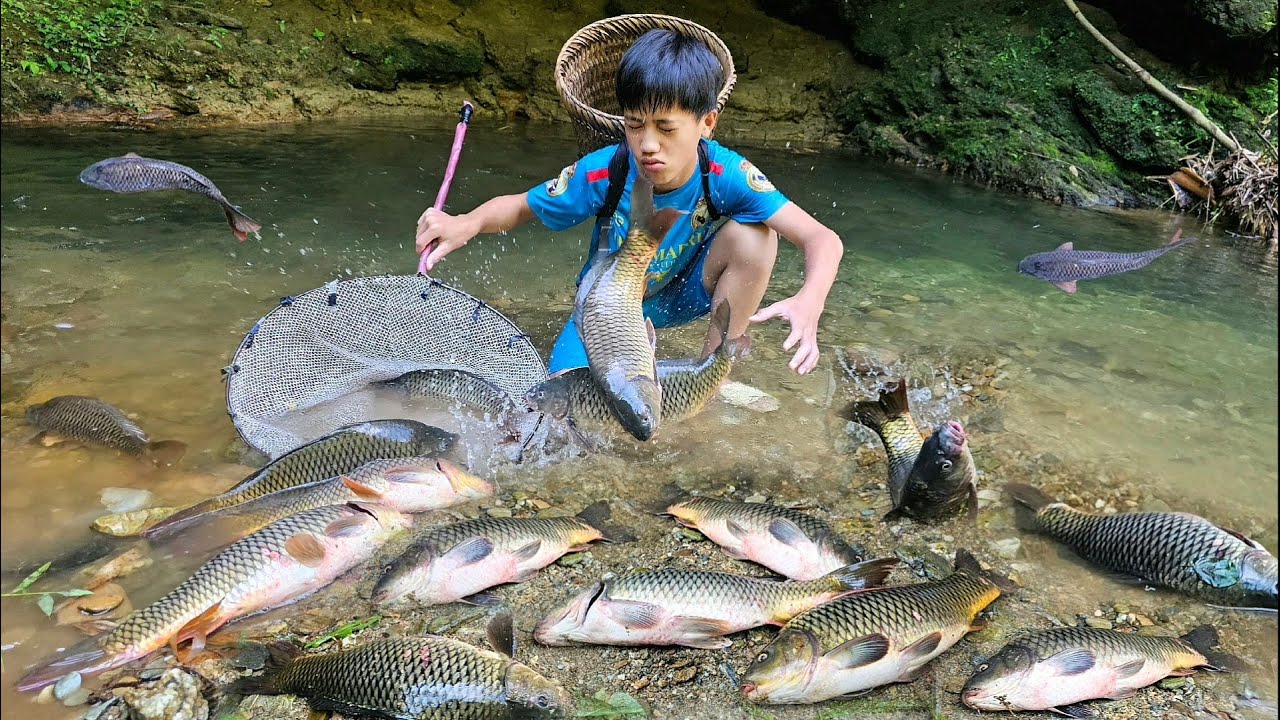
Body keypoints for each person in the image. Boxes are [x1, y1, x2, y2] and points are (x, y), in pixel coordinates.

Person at [414, 28, 843, 375]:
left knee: (756, 236)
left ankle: (712, 369)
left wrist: (811, 299)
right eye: (635, 125)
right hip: (608, 306)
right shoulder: (605, 171)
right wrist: (466, 223)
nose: (648, 144)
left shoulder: (727, 174)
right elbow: (523, 206)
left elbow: (822, 239)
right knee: (567, 396)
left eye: (666, 128)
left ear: (707, 122)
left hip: (685, 294)